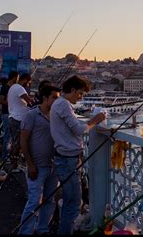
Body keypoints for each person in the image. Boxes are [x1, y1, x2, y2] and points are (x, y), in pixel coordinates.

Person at [50, 75, 106, 235]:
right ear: (73, 90)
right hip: (68, 160)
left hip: (66, 158)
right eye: (80, 93)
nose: (81, 97)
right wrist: (96, 119)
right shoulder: (63, 105)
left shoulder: (60, 104)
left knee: (71, 201)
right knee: (73, 203)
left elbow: (72, 126)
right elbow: (79, 130)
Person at [18, 85, 61, 235]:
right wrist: (30, 164)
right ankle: (25, 232)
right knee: (34, 202)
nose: (57, 100)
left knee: (49, 201)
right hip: (37, 166)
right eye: (54, 97)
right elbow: (23, 140)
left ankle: (42, 229)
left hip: (53, 166)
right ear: (45, 98)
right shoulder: (32, 115)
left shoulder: (56, 115)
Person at [7, 73, 35, 163]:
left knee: (15, 142)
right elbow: (29, 101)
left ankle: (12, 161)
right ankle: (14, 164)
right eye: (28, 82)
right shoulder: (20, 88)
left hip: (13, 117)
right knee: (19, 143)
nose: (28, 84)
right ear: (26, 80)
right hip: (18, 119)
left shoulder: (13, 87)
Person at [0, 71, 19, 161]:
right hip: (6, 114)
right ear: (15, 77)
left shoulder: (11, 88)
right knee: (7, 136)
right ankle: (5, 157)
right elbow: (0, 101)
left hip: (10, 114)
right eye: (18, 77)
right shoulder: (5, 88)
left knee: (10, 137)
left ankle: (8, 156)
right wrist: (12, 102)